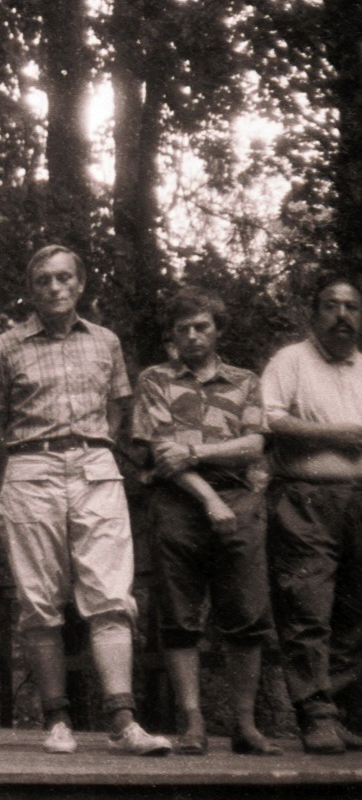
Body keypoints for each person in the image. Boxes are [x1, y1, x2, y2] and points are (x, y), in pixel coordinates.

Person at [0, 244, 172, 755]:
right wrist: (27, 468)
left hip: (94, 468)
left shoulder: (105, 342)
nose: (55, 288)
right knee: (39, 601)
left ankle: (124, 721)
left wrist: (87, 449)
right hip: (30, 469)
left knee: (110, 595)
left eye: (65, 278)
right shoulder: (5, 347)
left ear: (80, 285)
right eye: (43, 280)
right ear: (31, 289)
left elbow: (116, 412)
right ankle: (57, 721)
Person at [131, 288, 281, 755]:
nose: (193, 336)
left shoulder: (244, 381)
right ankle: (193, 722)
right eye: (183, 329)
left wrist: (196, 450)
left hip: (239, 499)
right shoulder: (155, 379)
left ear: (217, 330)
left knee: (246, 614)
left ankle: (244, 724)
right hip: (178, 503)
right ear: (172, 336)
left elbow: (254, 444)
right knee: (179, 615)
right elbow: (160, 452)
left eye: (202, 327)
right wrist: (210, 498)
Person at [261, 276, 362, 754]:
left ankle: (339, 711)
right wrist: (338, 436)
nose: (342, 315)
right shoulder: (291, 361)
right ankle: (315, 714)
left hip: (358, 501)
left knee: (353, 610)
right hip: (305, 498)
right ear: (314, 312)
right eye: (331, 306)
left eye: (352, 307)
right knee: (307, 605)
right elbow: (271, 421)